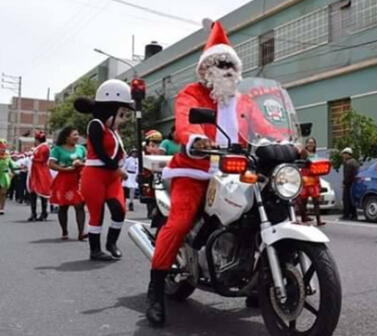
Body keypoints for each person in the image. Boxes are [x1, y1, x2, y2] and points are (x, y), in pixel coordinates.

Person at [146, 21, 287, 326]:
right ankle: (155, 289)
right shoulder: (192, 93)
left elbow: (266, 128)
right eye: (219, 63)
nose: (225, 70)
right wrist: (197, 140)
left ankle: (257, 279)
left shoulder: (244, 101)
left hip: (237, 170)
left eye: (229, 65)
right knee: (181, 220)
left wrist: (287, 143)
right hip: (195, 169)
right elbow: (186, 121)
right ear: (205, 68)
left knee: (270, 211)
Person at [74, 79, 133, 261]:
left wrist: (117, 168)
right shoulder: (96, 125)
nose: (122, 120)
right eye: (121, 114)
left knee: (119, 210)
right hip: (95, 175)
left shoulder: (113, 131)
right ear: (110, 109)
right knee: (97, 214)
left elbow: (117, 153)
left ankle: (111, 243)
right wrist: (116, 169)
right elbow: (99, 152)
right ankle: (95, 249)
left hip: (112, 176)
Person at [49, 126, 87, 241]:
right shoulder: (57, 149)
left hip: (78, 180)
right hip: (64, 180)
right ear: (66, 137)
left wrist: (80, 163)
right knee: (63, 207)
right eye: (74, 135)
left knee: (79, 205)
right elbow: (51, 164)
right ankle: (64, 231)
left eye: (77, 135)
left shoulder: (81, 148)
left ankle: (81, 232)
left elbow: (87, 160)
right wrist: (65, 169)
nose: (77, 137)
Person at [27, 131, 53, 221]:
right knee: (33, 192)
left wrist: (33, 157)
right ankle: (33, 213)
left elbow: (42, 159)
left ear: (37, 140)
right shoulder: (39, 148)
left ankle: (43, 213)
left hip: (41, 172)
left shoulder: (44, 147)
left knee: (42, 192)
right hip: (35, 171)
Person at [341, 147, 360, 221]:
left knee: (346, 200)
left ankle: (346, 215)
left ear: (347, 154)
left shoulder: (348, 163)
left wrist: (344, 183)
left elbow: (347, 175)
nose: (343, 156)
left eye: (344, 154)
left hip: (349, 184)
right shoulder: (355, 162)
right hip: (354, 183)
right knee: (352, 200)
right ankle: (354, 215)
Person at [0, 141, 17, 215]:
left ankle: (2, 208)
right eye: (1, 148)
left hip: (4, 176)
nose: (2, 150)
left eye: (3, 148)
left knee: (3, 193)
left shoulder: (7, 157)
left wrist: (21, 166)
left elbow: (13, 165)